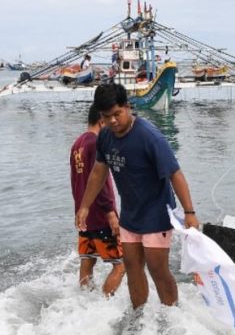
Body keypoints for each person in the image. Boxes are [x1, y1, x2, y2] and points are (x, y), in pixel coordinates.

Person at [75, 83, 199, 315]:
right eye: (106, 116)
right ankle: (138, 315)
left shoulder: (149, 136)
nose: (112, 121)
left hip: (157, 213)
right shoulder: (105, 137)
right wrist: (84, 206)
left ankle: (172, 316)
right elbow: (99, 172)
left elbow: (175, 174)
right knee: (132, 267)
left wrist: (190, 213)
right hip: (130, 215)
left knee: (157, 268)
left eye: (116, 114)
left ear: (128, 107)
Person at [70, 104, 125, 296]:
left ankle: (85, 302)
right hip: (100, 214)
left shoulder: (78, 144)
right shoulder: (96, 143)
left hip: (84, 215)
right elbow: (101, 181)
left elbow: (76, 181)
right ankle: (104, 304)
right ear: (102, 121)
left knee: (88, 259)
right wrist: (111, 212)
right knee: (121, 264)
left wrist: (79, 209)